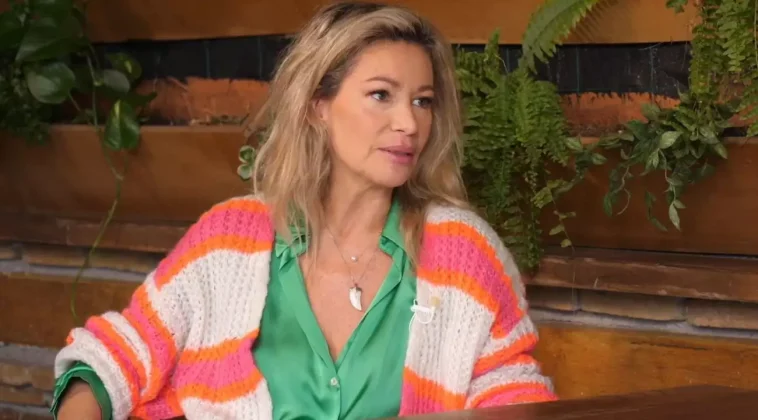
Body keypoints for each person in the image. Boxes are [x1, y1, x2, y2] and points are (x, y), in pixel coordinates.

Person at [51, 2, 557, 419]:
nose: (408, 122)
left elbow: (512, 391)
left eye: (423, 101)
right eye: (381, 95)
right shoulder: (228, 240)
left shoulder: (464, 252)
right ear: (319, 105)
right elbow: (115, 357)